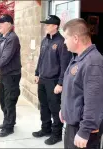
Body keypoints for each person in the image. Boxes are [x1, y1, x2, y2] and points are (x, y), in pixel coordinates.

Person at [60, 18, 103, 149]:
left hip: (83, 129)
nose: (64, 41)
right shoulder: (79, 57)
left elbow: (94, 101)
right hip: (73, 124)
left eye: (66, 38)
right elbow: (74, 90)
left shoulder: (93, 62)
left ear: (75, 38)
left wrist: (85, 131)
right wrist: (64, 110)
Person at [32, 15, 72, 145]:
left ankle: (57, 134)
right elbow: (41, 59)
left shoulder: (61, 42)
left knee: (55, 109)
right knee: (43, 106)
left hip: (54, 82)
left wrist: (60, 83)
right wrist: (37, 73)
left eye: (48, 25)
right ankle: (46, 129)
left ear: (55, 26)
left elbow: (65, 65)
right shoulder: (45, 40)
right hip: (42, 80)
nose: (45, 27)